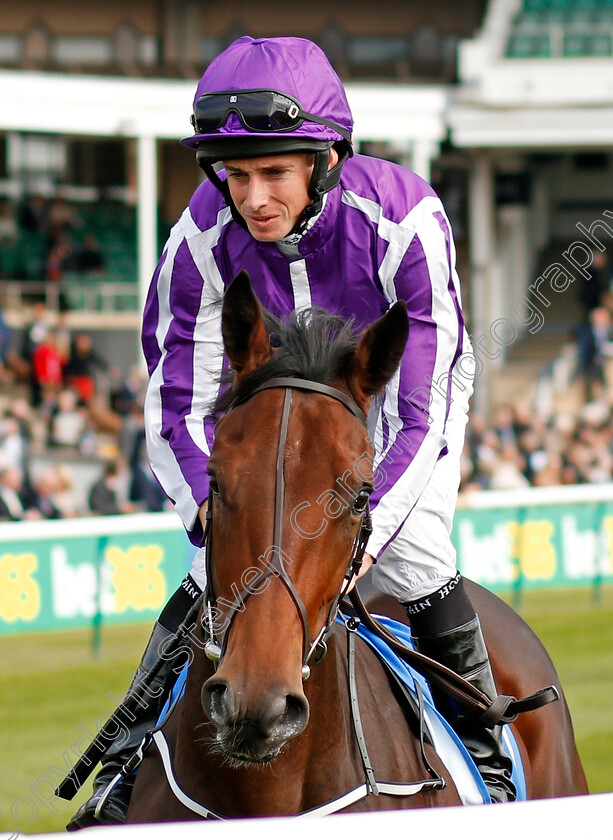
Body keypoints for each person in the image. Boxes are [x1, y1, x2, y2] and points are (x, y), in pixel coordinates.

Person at [68, 36, 513, 828]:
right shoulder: (198, 238)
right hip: (267, 395)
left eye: (274, 172)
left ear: (328, 159)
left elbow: (422, 411)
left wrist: (368, 529)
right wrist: (211, 511)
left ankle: (488, 763)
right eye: (236, 175)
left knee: (417, 558)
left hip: (388, 390)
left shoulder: (406, 217)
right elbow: (175, 396)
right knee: (211, 572)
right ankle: (123, 763)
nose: (253, 198)